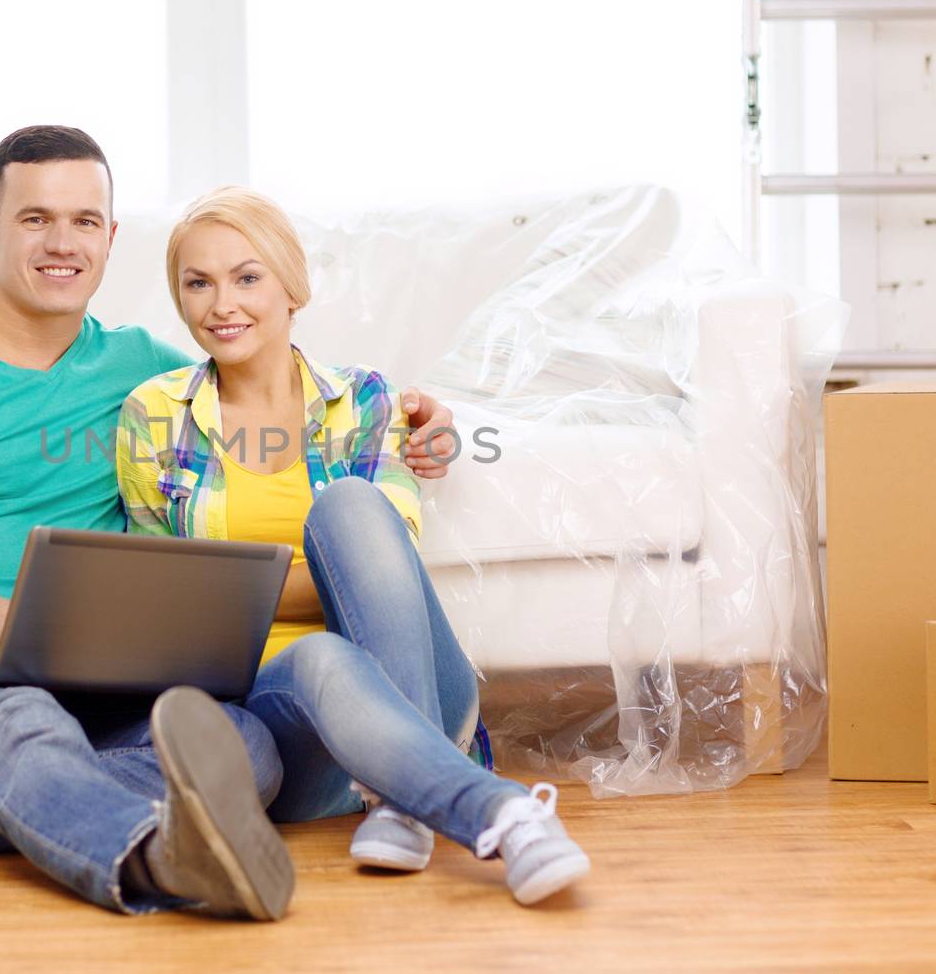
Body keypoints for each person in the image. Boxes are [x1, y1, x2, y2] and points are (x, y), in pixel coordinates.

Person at [0, 126, 460, 920]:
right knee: (20, 720)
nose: (63, 242)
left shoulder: (148, 376)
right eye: (35, 219)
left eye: (85, 221)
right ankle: (154, 854)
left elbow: (273, 374)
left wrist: (415, 421)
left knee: (245, 752)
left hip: (85, 683)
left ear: (111, 238)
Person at [115, 186, 591, 906]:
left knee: (350, 505)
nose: (222, 304)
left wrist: (228, 590)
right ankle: (490, 810)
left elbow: (378, 573)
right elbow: (162, 602)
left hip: (419, 687)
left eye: (247, 277)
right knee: (319, 655)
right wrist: (291, 589)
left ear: (291, 288)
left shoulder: (364, 400)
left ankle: (403, 798)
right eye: (198, 282)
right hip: (284, 722)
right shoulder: (153, 415)